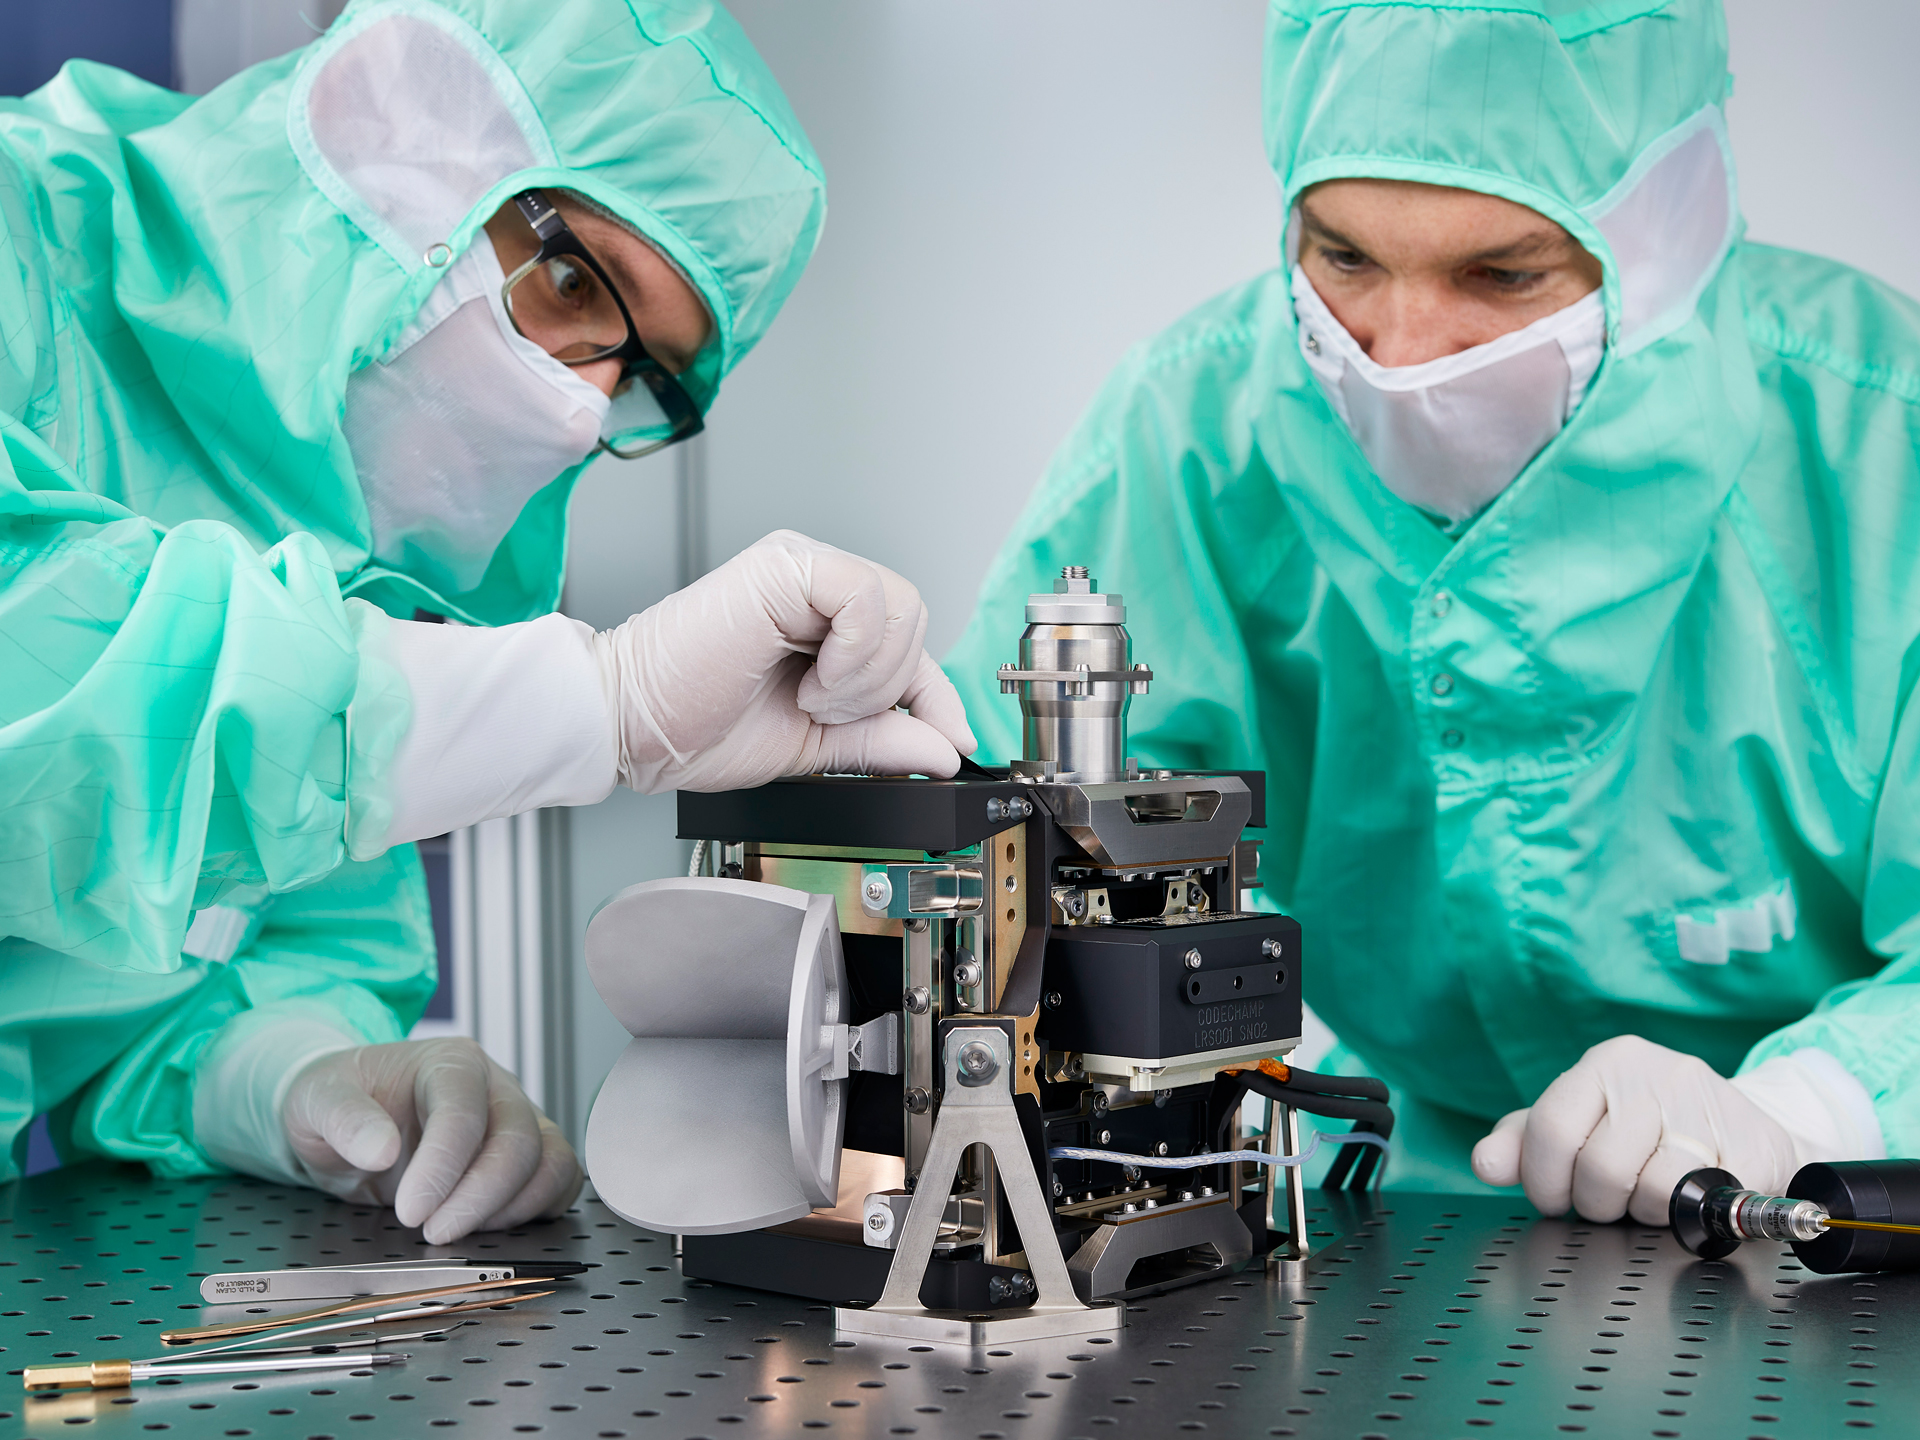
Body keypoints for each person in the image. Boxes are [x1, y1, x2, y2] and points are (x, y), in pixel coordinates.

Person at [0, 0, 973, 1244]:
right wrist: (598, 705)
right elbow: (46, 694)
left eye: (640, 377)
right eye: (574, 283)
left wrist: (288, 1076)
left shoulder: (357, 582)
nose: (582, 409)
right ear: (392, 122)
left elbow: (190, 953)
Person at [947, 0, 1920, 1225]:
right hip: (1401, 1209)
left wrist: (1813, 1111)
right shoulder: (1194, 435)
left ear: (1668, 236)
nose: (1400, 353)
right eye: (1344, 257)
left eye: (1502, 273)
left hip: (1830, 1223)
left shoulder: (1883, 440)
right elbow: (1010, 834)